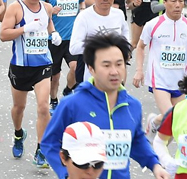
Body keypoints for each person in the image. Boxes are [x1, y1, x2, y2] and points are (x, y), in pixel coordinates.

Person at [41, 32, 170, 179]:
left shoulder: (132, 105)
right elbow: (49, 143)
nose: (114, 71)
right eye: (106, 65)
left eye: (119, 64)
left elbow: (136, 140)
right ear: (91, 68)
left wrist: (155, 165)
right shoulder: (72, 104)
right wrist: (66, 174)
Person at [0, 0, 58, 168]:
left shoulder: (47, 7)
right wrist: (24, 29)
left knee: (43, 106)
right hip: (21, 66)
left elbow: (48, 25)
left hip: (43, 64)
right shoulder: (16, 8)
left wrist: (54, 33)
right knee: (19, 108)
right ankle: (18, 134)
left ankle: (42, 149)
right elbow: (4, 35)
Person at [133, 0, 187, 136]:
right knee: (172, 116)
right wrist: (139, 71)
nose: (177, 5)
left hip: (181, 82)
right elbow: (141, 47)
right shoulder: (153, 24)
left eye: (181, 1)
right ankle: (161, 150)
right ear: (165, 2)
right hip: (160, 79)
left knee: (179, 119)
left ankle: (155, 122)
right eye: (173, 0)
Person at [40, 0, 86, 113]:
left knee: (75, 67)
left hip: (73, 37)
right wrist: (50, 11)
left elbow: (82, 4)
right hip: (54, 37)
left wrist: (82, 11)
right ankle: (53, 99)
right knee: (55, 75)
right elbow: (40, 10)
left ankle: (68, 90)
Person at [69, 0, 130, 83]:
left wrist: (125, 50)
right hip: (92, 75)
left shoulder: (119, 14)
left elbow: (125, 36)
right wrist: (101, 46)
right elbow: (74, 48)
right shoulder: (84, 17)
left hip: (115, 74)